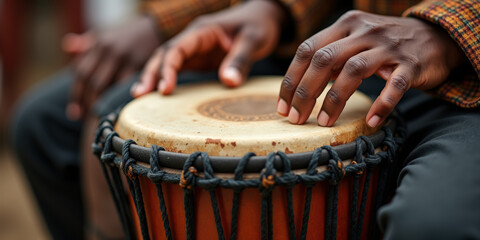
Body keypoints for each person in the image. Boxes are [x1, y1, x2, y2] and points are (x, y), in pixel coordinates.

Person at [133, 0, 480, 239]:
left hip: (464, 80)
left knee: (432, 225)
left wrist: (447, 31)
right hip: (332, 54)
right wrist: (274, 8)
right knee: (115, 107)